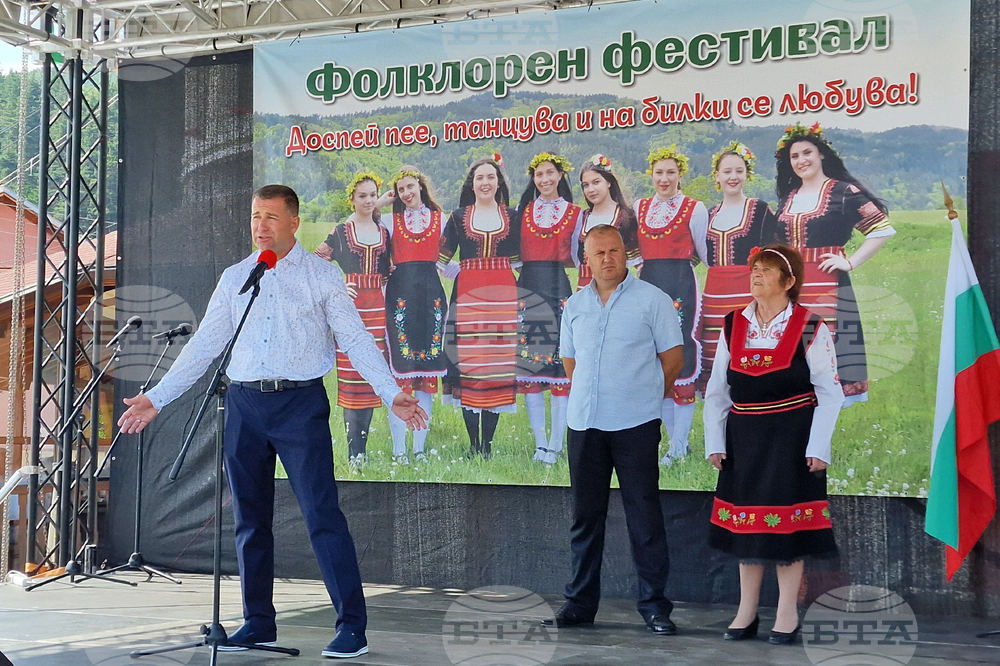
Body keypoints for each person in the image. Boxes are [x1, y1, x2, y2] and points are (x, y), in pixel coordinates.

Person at [118, 185, 427, 659]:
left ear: (293, 223)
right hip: (243, 404)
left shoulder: (321, 276)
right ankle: (258, 622)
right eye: (255, 216)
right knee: (249, 521)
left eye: (270, 217)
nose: (260, 226)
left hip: (299, 405)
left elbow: (356, 339)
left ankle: (352, 627)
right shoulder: (237, 276)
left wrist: (390, 393)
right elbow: (204, 346)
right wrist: (157, 398)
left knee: (322, 515)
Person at [546, 224, 684, 635]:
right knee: (585, 518)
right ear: (585, 260)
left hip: (635, 424)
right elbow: (572, 364)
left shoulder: (653, 301)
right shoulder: (575, 306)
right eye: (599, 253)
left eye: (615, 251)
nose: (608, 259)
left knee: (644, 516)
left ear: (627, 254)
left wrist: (639, 398)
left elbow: (672, 361)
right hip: (585, 422)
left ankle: (655, 606)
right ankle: (580, 603)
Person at [703, 244, 841, 645]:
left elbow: (829, 392)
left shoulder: (812, 326)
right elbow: (716, 392)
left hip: (792, 437)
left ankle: (786, 614)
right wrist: (715, 440)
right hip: (744, 437)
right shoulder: (733, 324)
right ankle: (745, 613)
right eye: (755, 269)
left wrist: (818, 446)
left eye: (767, 270)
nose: (757, 275)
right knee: (748, 524)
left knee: (787, 527)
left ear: (790, 281)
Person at [774, 122, 895, 406]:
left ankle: (821, 439)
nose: (802, 160)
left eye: (807, 153)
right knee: (793, 355)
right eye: (795, 156)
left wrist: (850, 262)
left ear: (821, 155)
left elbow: (882, 229)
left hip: (827, 284)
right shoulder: (788, 198)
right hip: (792, 287)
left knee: (825, 353)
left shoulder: (844, 192)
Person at [439, 155, 521, 458]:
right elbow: (440, 259)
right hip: (468, 296)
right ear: (471, 185)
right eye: (479, 178)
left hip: (502, 298)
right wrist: (463, 270)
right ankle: (474, 445)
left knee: (496, 367)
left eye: (490, 177)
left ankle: (488, 445)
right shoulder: (459, 216)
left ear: (498, 182)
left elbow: (520, 262)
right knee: (471, 365)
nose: (485, 182)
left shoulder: (512, 217)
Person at [634, 145, 709, 466]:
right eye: (659, 173)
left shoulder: (695, 208)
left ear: (681, 175)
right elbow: (633, 250)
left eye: (671, 173)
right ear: (651, 174)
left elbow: (703, 253)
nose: (664, 179)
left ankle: (679, 444)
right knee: (652, 358)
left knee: (679, 354)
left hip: (680, 285)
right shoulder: (639, 207)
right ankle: (674, 442)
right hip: (647, 283)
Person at [313, 172, 392, 464]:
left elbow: (389, 272)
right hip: (350, 309)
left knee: (370, 377)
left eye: (373, 195)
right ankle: (353, 452)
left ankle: (364, 449)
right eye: (362, 196)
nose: (368, 200)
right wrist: (336, 285)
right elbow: (315, 262)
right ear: (352, 199)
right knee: (350, 379)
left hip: (377, 309)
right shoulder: (341, 232)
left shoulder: (383, 233)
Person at [516, 152, 583, 465]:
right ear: (533, 179)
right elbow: (516, 256)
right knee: (532, 369)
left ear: (560, 176)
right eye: (539, 174)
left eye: (550, 173)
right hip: (528, 291)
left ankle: (556, 444)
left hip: (559, 292)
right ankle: (539, 443)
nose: (544, 180)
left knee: (559, 370)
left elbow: (577, 257)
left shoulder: (574, 213)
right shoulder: (523, 212)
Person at [381, 166, 450, 464]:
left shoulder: (441, 219)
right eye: (400, 190)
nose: (406, 194)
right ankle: (399, 450)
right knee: (401, 375)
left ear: (421, 186)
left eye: (410, 187)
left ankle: (419, 449)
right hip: (401, 300)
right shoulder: (389, 220)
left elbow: (449, 261)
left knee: (425, 378)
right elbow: (355, 221)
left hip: (431, 299)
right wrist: (382, 202)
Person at [698, 142, 777, 395]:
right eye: (727, 171)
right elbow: (692, 255)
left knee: (747, 356)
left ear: (747, 174)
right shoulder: (707, 215)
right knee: (716, 368)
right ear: (717, 176)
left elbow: (774, 254)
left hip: (748, 295)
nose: (733, 177)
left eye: (739, 171)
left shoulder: (761, 210)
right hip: (714, 297)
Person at [576, 154, 640, 291]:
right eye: (585, 185)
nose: (591, 189)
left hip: (617, 290)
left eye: (596, 182)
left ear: (609, 182)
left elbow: (639, 264)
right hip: (585, 290)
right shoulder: (581, 218)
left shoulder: (626, 217)